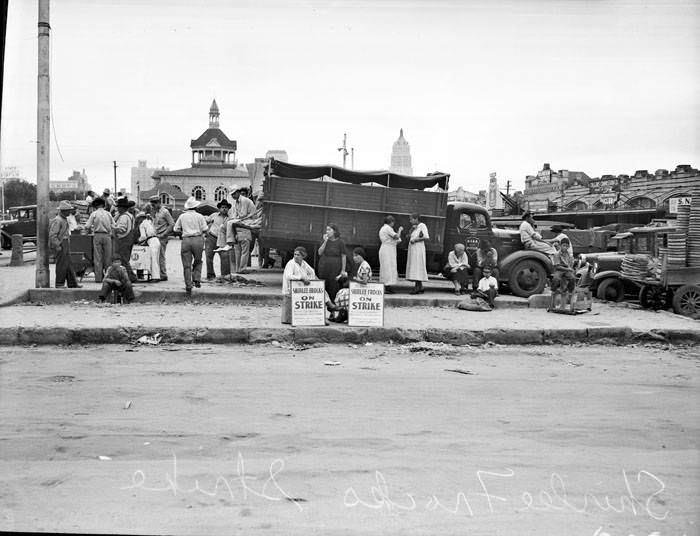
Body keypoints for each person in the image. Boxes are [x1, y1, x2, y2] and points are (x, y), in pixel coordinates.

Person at [174, 196, 208, 294]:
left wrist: (183, 231)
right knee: (198, 260)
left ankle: (188, 284)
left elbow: (176, 229)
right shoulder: (200, 216)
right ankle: (197, 279)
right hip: (198, 239)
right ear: (196, 207)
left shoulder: (182, 216)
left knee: (186, 264)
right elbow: (205, 229)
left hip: (186, 240)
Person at [330, 247, 372, 323]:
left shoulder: (364, 266)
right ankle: (343, 314)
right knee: (342, 291)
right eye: (353, 256)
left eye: (356, 256)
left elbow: (365, 281)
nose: (354, 258)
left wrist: (356, 279)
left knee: (342, 294)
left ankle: (343, 314)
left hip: (363, 290)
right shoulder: (362, 264)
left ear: (361, 255)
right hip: (359, 289)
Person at [48, 200, 82, 288]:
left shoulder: (63, 219)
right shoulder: (58, 220)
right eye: (68, 210)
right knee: (61, 264)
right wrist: (57, 245)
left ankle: (72, 283)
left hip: (65, 242)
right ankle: (59, 283)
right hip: (61, 243)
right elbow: (52, 235)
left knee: (69, 264)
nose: (69, 212)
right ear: (63, 211)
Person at [281, 246, 318, 324]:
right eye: (295, 254)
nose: (296, 256)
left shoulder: (304, 263)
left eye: (298, 255)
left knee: (318, 288)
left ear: (303, 256)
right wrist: (301, 278)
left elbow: (312, 272)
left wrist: (309, 279)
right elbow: (289, 276)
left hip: (300, 288)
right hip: (290, 289)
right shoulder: (291, 263)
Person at [84, 197, 115, 283]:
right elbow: (114, 225)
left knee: (98, 257)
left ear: (96, 205)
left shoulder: (94, 214)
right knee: (108, 257)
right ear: (103, 205)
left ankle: (98, 278)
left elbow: (87, 226)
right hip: (107, 236)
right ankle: (108, 278)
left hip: (97, 236)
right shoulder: (108, 214)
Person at [226, 187, 256, 273]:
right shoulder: (238, 202)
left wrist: (234, 219)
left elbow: (243, 214)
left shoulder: (244, 200)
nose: (233, 196)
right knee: (239, 250)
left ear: (238, 192)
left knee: (243, 250)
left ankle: (241, 268)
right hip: (242, 224)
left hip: (247, 222)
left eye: (234, 194)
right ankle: (239, 269)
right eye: (231, 195)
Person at [317, 223, 347, 299]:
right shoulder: (325, 241)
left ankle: (333, 305)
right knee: (323, 283)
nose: (327, 231)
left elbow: (343, 256)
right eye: (326, 230)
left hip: (335, 266)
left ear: (334, 231)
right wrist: (325, 241)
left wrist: (343, 270)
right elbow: (319, 252)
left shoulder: (340, 242)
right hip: (324, 266)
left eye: (329, 229)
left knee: (333, 285)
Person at [149, 195, 174, 281]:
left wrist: (164, 234)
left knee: (161, 256)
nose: (153, 206)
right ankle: (157, 274)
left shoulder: (165, 212)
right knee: (155, 255)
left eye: (154, 204)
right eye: (152, 204)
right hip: (155, 236)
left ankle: (163, 274)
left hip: (162, 236)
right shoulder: (155, 212)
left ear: (159, 203)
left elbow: (172, 224)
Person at [205, 199, 231, 280]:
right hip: (212, 238)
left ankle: (225, 275)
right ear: (219, 208)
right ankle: (210, 274)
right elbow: (204, 222)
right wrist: (206, 232)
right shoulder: (214, 215)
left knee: (225, 257)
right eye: (222, 207)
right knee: (209, 257)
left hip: (224, 240)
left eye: (226, 207)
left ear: (228, 209)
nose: (224, 209)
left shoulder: (230, 218)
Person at [405, 213, 429, 294]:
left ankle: (417, 287)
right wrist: (411, 230)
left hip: (418, 248)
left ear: (416, 219)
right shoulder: (414, 227)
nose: (410, 221)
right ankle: (420, 286)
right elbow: (409, 236)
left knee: (417, 266)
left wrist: (415, 240)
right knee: (414, 266)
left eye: (411, 219)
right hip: (413, 248)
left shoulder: (422, 225)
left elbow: (425, 236)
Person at [378, 215, 402, 293]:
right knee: (388, 268)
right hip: (387, 250)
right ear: (391, 222)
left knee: (386, 268)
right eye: (393, 222)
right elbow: (397, 237)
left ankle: (387, 286)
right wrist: (400, 230)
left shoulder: (383, 228)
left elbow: (394, 240)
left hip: (387, 249)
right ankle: (387, 286)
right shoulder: (387, 228)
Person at [136, 211, 161, 281]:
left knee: (153, 259)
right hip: (156, 240)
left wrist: (138, 241)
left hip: (151, 241)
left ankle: (155, 277)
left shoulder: (142, 224)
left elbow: (143, 236)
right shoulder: (150, 221)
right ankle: (157, 275)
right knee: (156, 259)